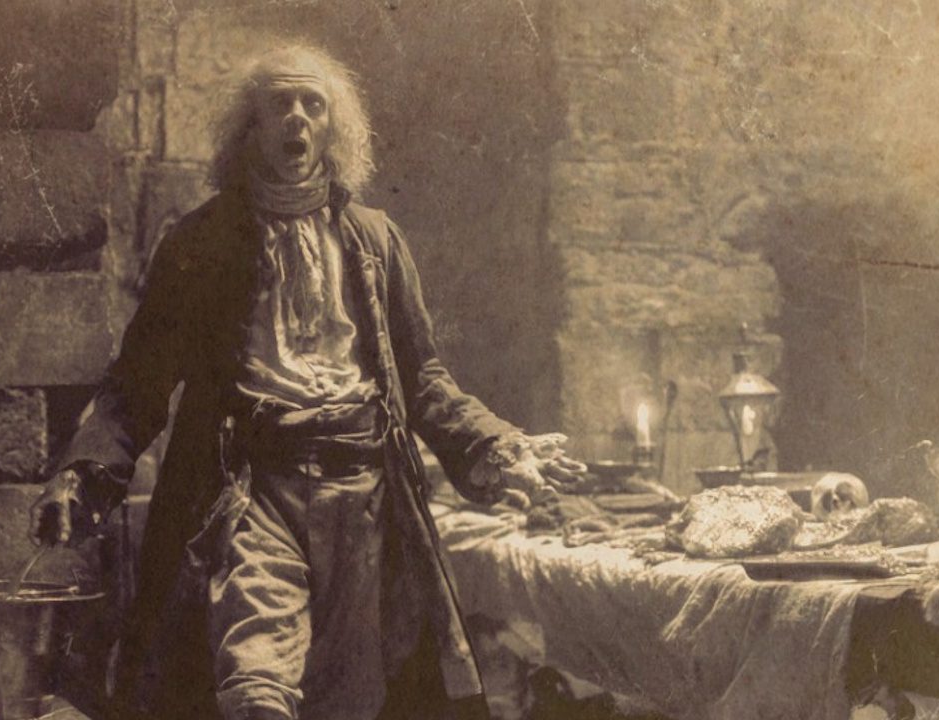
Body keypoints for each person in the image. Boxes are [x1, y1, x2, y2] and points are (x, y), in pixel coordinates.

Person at [29, 41, 585, 720]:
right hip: (253, 489)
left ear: (332, 128)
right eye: (279, 104)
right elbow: (136, 385)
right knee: (255, 681)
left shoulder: (376, 241)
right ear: (252, 128)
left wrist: (497, 445)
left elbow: (424, 380)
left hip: (364, 499)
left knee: (352, 698)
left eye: (312, 104)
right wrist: (82, 472)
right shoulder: (200, 242)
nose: (296, 117)